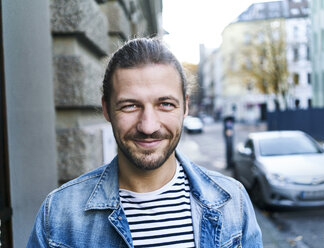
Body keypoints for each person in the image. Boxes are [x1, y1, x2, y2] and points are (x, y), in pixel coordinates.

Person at [27, 37, 263, 248]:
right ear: (107, 110)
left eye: (165, 104)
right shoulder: (59, 215)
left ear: (186, 107)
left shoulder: (234, 202)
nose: (148, 126)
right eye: (130, 105)